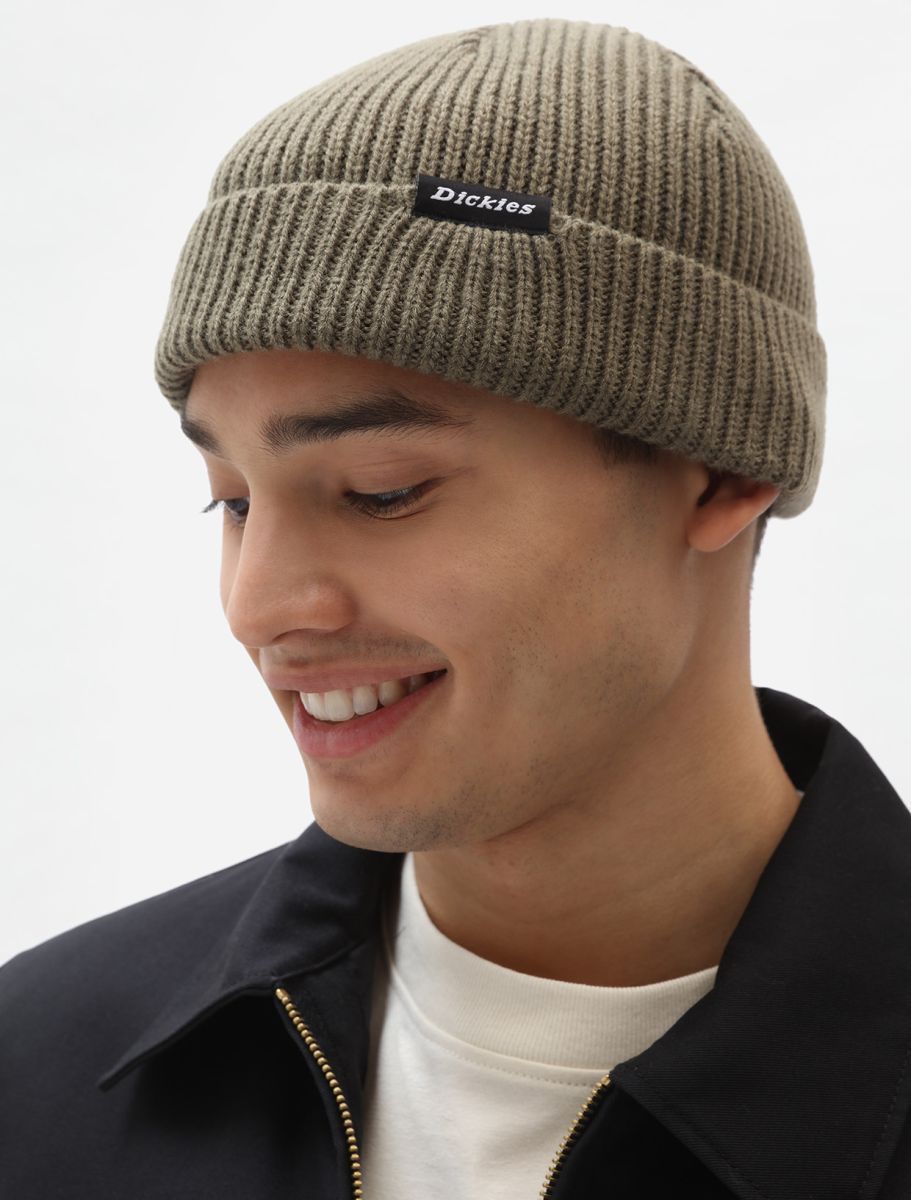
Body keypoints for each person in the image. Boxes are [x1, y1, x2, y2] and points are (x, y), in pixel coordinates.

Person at [2, 16, 909, 1200]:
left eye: (382, 492)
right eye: (230, 500)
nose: (259, 604)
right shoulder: (44, 1074)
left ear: (719, 472)